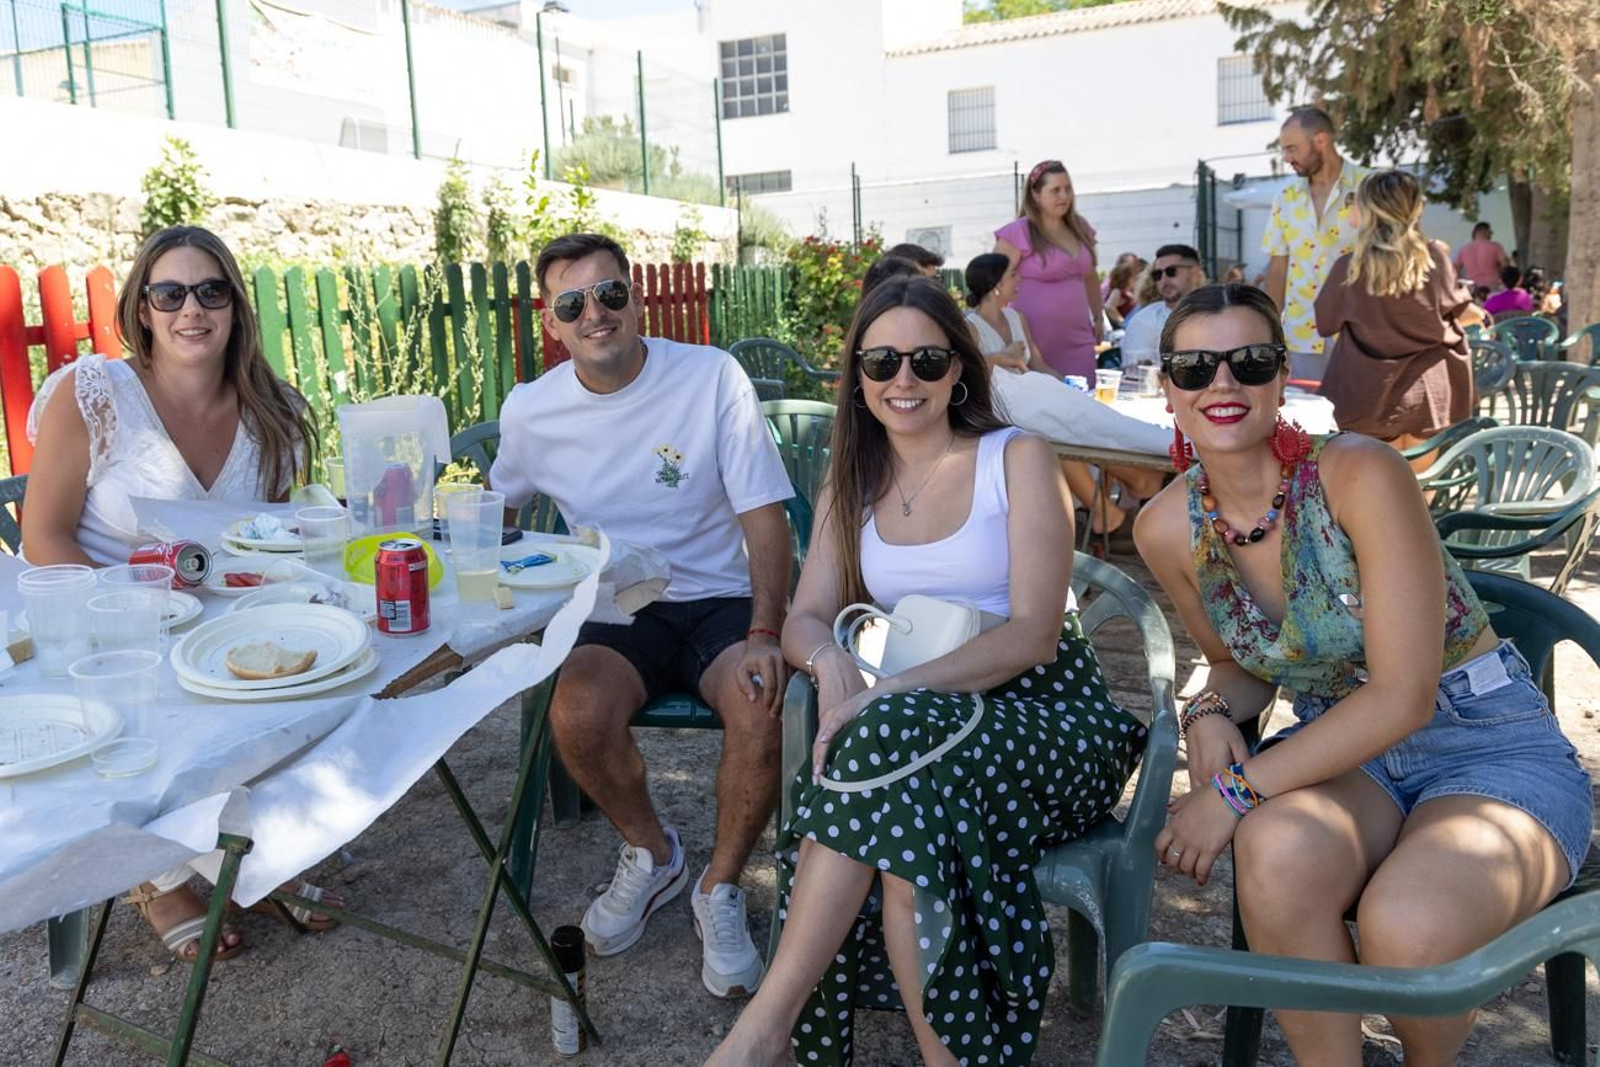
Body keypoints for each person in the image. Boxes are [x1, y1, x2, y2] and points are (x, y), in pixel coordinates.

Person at [1135, 282, 1591, 1067]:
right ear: (1167, 387)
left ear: (1283, 377)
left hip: (1486, 742)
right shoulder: (1167, 528)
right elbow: (1235, 663)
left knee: (1403, 925)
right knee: (1276, 847)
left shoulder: (1358, 473)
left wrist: (1234, 791)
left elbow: (1403, 696)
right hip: (1347, 755)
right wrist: (1206, 711)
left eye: (1250, 361)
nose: (1222, 383)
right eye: (1195, 367)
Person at [707, 275, 1146, 1067]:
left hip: (1045, 718)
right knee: (906, 832)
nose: (902, 379)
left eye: (926, 359)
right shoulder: (854, 478)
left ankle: (764, 1030)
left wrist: (889, 690)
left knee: (885, 743)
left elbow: (1034, 637)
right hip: (913, 728)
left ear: (958, 370)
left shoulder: (1017, 457)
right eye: (881, 362)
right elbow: (806, 616)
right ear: (858, 377)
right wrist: (833, 663)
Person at [487, 233, 794, 999]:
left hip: (722, 599)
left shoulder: (710, 377)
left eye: (610, 293)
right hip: (621, 602)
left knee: (761, 702)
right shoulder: (532, 410)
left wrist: (766, 631)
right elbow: (497, 514)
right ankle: (655, 854)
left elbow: (765, 519)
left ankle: (720, 885)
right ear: (552, 323)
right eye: (572, 303)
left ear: (637, 298)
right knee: (575, 710)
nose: (595, 313)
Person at [22, 224, 337, 963]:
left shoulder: (273, 411)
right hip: (102, 626)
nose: (191, 309)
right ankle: (162, 874)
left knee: (317, 671)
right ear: (143, 309)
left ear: (234, 306)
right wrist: (136, 618)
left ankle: (244, 844)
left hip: (218, 618)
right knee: (162, 692)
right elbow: (44, 537)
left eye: (210, 291)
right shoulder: (94, 394)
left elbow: (267, 542)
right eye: (169, 293)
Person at [1314, 170, 1476, 450]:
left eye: (1354, 199)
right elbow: (1455, 306)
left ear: (1369, 209)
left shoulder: (1349, 268)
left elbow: (1325, 324)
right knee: (1424, 478)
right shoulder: (1435, 257)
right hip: (1429, 393)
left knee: (1377, 479)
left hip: (1366, 395)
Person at [1261, 107, 1371, 381]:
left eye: (1292, 148)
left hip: (1360, 332)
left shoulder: (1369, 187)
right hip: (1301, 336)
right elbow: (1277, 270)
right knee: (1304, 408)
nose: (1286, 158)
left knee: (1358, 408)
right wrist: (1269, 332)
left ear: (1321, 140)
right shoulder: (1285, 199)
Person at [994, 159, 1103, 379]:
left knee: (1084, 393)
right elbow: (992, 281)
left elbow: (1091, 278)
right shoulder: (1019, 231)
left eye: (1068, 189)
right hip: (1035, 339)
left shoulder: (1080, 228)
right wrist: (998, 328)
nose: (1064, 196)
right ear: (1036, 194)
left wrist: (1099, 317)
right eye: (1055, 190)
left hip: (1079, 337)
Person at [960, 252, 1048, 375]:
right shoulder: (970, 327)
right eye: (1013, 275)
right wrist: (1001, 358)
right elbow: (964, 370)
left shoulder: (1017, 318)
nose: (1019, 279)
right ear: (997, 285)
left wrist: (1067, 383)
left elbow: (1040, 367)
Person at [1121, 244, 1205, 368]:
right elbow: (1138, 374)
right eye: (1158, 274)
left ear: (1194, 272)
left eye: (1171, 271)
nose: (1163, 280)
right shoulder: (1144, 321)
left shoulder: (1217, 314)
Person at [1453, 221, 1510, 290]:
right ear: (1485, 231)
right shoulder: (1495, 246)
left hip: (1473, 288)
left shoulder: (1463, 250)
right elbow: (1505, 267)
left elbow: (1456, 271)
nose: (1491, 235)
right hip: (1493, 286)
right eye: (1490, 232)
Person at [1101, 252, 1142, 328]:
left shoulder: (1128, 291)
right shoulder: (1118, 291)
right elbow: (1109, 307)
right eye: (1133, 274)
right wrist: (1124, 323)